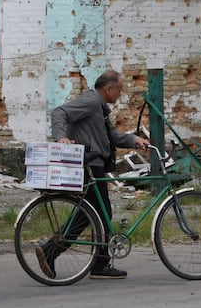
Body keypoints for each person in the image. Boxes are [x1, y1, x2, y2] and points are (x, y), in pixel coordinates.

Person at [36, 70, 150, 280]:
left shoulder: (100, 106)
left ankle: (55, 251)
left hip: (94, 165)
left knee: (92, 213)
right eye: (118, 90)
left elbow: (111, 135)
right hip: (88, 165)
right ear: (108, 89)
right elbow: (59, 112)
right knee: (100, 213)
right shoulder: (90, 102)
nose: (119, 94)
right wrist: (61, 137)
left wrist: (134, 140)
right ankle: (95, 264)